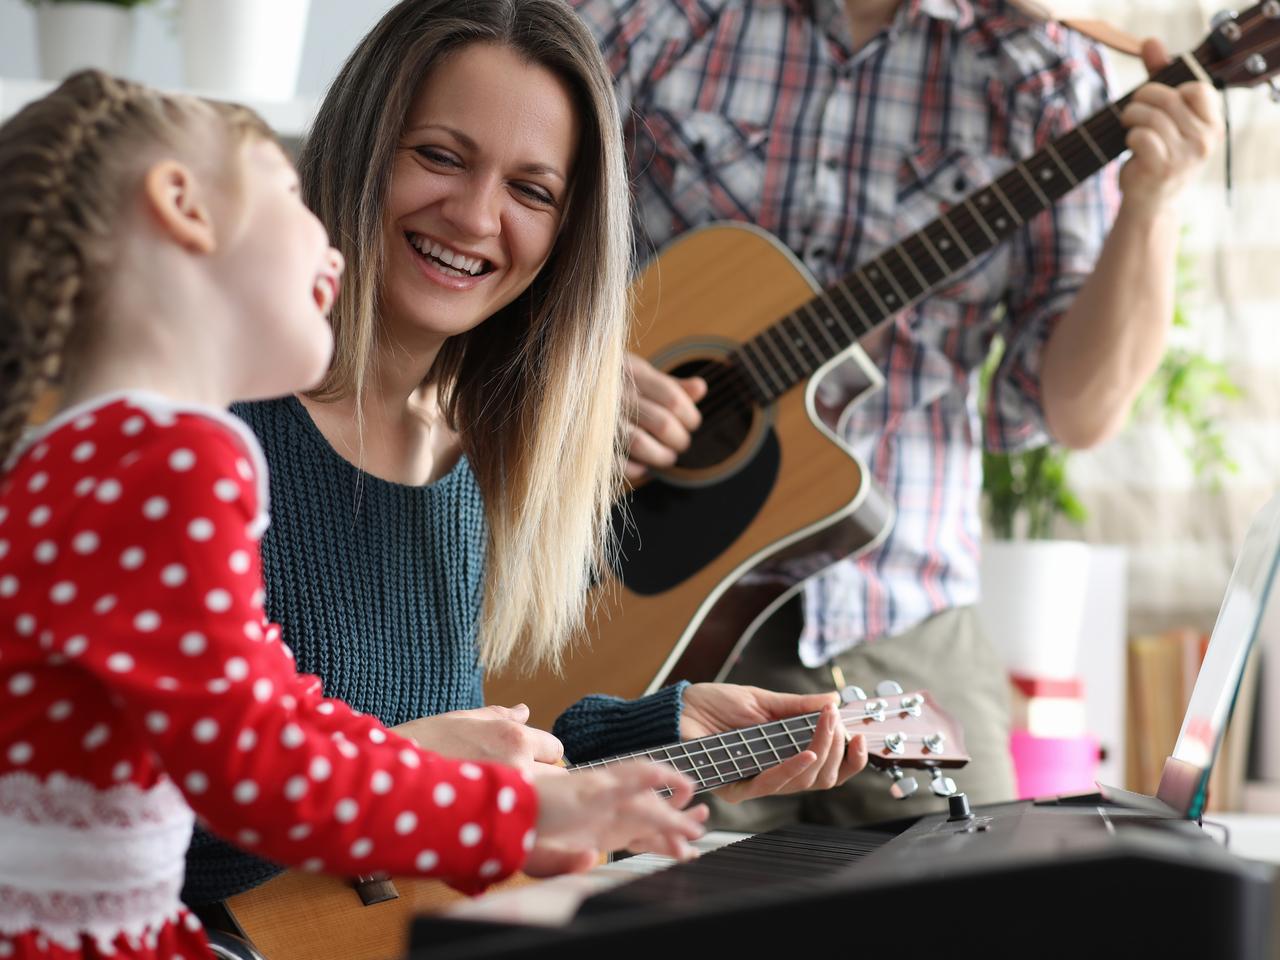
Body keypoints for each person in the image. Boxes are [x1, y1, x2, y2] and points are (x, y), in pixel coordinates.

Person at [0, 69, 711, 960]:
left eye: (531, 190)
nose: (330, 251)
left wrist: (544, 791)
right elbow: (257, 766)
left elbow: (285, 715)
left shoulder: (78, 452)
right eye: (291, 197)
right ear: (183, 205)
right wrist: (504, 818)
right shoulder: (181, 457)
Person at [183, 0, 869, 910]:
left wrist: (673, 733)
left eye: (532, 192)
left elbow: (454, 787)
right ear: (357, 145)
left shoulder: (469, 465)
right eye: (439, 156)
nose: (474, 217)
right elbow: (127, 808)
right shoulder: (207, 422)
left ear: (567, 238)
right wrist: (397, 763)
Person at [572, 0, 1223, 829]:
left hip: (905, 625)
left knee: (979, 907)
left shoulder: (1041, 68)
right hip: (635, 609)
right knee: (645, 919)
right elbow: (495, 251)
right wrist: (577, 377)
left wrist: (1153, 205)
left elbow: (1078, 412)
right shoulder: (641, 16)